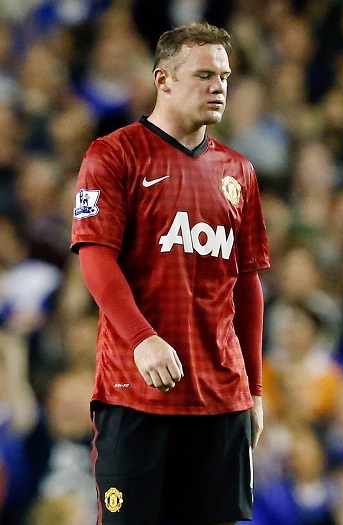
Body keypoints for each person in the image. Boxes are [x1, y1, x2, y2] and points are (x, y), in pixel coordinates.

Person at [70, 22, 270, 525]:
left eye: (224, 77)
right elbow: (95, 257)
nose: (218, 86)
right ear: (163, 79)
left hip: (221, 401)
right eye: (204, 75)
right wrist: (142, 339)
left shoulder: (239, 172)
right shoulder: (114, 154)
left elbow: (247, 285)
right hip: (137, 394)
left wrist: (254, 389)